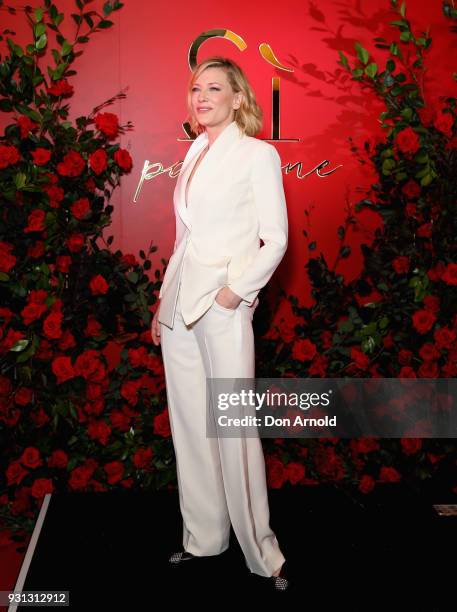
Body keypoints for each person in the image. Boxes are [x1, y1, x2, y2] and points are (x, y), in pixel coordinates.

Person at [150, 56, 289, 592]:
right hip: (182, 303)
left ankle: (264, 555)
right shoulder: (192, 155)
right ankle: (203, 538)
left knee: (233, 426)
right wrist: (164, 302)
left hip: (224, 302)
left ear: (237, 99)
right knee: (189, 425)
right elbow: (185, 238)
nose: (201, 96)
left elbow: (275, 238)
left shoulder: (258, 154)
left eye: (213, 88)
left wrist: (236, 294)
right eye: (194, 88)